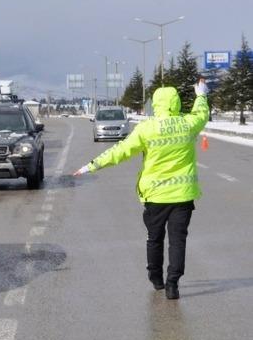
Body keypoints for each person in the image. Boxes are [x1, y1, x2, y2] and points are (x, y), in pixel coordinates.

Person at [73, 80, 209, 300]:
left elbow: (120, 151)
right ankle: (173, 283)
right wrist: (201, 95)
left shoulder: (147, 129)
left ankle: (156, 278)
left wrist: (91, 165)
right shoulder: (188, 124)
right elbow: (201, 114)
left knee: (154, 239)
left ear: (156, 104)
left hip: (155, 197)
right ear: (175, 102)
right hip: (183, 196)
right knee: (178, 241)